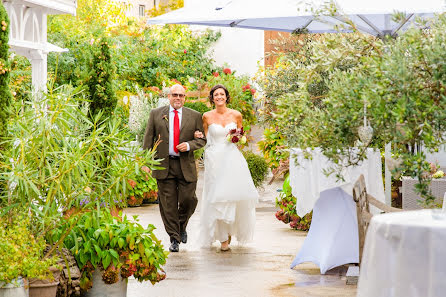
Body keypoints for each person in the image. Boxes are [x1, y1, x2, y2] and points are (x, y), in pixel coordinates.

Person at [143, 84, 206, 252]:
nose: (178, 98)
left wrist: (189, 144)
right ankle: (174, 238)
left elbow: (202, 139)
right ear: (169, 96)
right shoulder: (156, 114)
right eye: (175, 95)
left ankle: (181, 226)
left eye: (181, 95)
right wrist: (146, 162)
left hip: (185, 164)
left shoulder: (194, 116)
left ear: (185, 98)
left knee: (189, 200)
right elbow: (148, 139)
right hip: (164, 165)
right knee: (168, 204)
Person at [196, 84, 259, 251]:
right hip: (214, 160)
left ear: (226, 96)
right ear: (212, 98)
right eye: (216, 95)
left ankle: (230, 231)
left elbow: (241, 136)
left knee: (232, 196)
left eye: (221, 94)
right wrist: (198, 137)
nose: (219, 97)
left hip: (232, 159)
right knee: (217, 197)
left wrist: (239, 139)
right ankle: (223, 238)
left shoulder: (236, 115)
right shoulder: (206, 116)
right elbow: (204, 139)